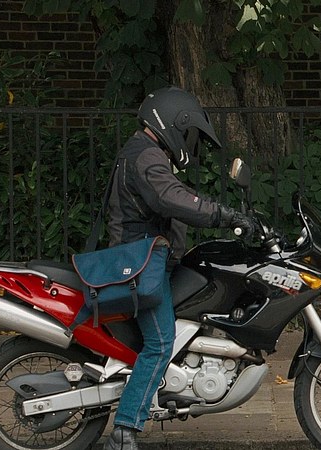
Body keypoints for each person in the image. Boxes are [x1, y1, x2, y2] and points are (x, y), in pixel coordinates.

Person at [103, 86, 257, 449]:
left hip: (146, 259)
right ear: (173, 122)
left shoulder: (145, 152)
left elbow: (174, 198)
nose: (189, 142)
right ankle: (124, 431)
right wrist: (224, 215)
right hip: (141, 265)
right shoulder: (147, 156)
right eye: (188, 132)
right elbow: (172, 198)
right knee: (160, 342)